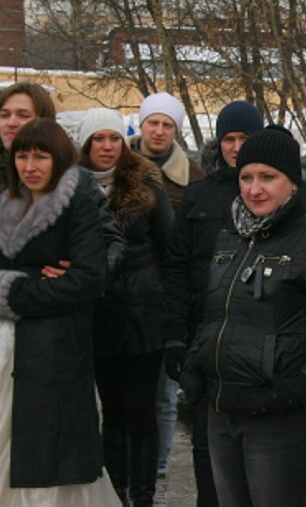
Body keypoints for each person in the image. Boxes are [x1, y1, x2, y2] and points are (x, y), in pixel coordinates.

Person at [180, 126, 306, 506]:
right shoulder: (232, 235)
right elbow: (215, 313)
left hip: (285, 423)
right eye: (246, 177)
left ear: (293, 182)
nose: (255, 189)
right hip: (225, 410)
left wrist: (294, 392)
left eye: (268, 177)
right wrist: (196, 363)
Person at [0, 119, 121, 505]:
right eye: (22, 156)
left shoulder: (76, 205)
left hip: (56, 351)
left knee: (50, 457)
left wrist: (14, 291)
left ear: (58, 159)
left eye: (40, 156)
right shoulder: (6, 204)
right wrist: (39, 281)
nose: (29, 166)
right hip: (7, 352)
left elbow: (88, 280)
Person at [161, 100, 264, 507]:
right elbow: (176, 270)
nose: (236, 147)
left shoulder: (282, 195)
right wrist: (174, 338)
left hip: (259, 352)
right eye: (229, 139)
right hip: (204, 347)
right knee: (208, 460)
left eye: (245, 138)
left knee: (256, 466)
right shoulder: (199, 195)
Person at [78, 108, 175, 506]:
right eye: (98, 139)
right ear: (86, 144)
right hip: (99, 317)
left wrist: (167, 309)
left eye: (114, 138)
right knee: (112, 412)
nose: (107, 146)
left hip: (143, 316)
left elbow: (169, 249)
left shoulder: (146, 184)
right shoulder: (72, 187)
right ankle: (115, 493)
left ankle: (143, 495)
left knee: (141, 411)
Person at [129, 91, 205, 483]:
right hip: (121, 300)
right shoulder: (114, 162)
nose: (158, 131)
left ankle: (157, 471)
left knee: (162, 395)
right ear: (141, 125)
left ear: (176, 131)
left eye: (167, 125)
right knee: (123, 397)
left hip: (169, 299)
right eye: (153, 123)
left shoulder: (192, 177)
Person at [0, 82, 126, 278]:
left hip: (51, 292)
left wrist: (83, 274)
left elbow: (112, 242)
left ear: (45, 121)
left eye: (23, 115)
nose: (12, 122)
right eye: (4, 115)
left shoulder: (74, 178)